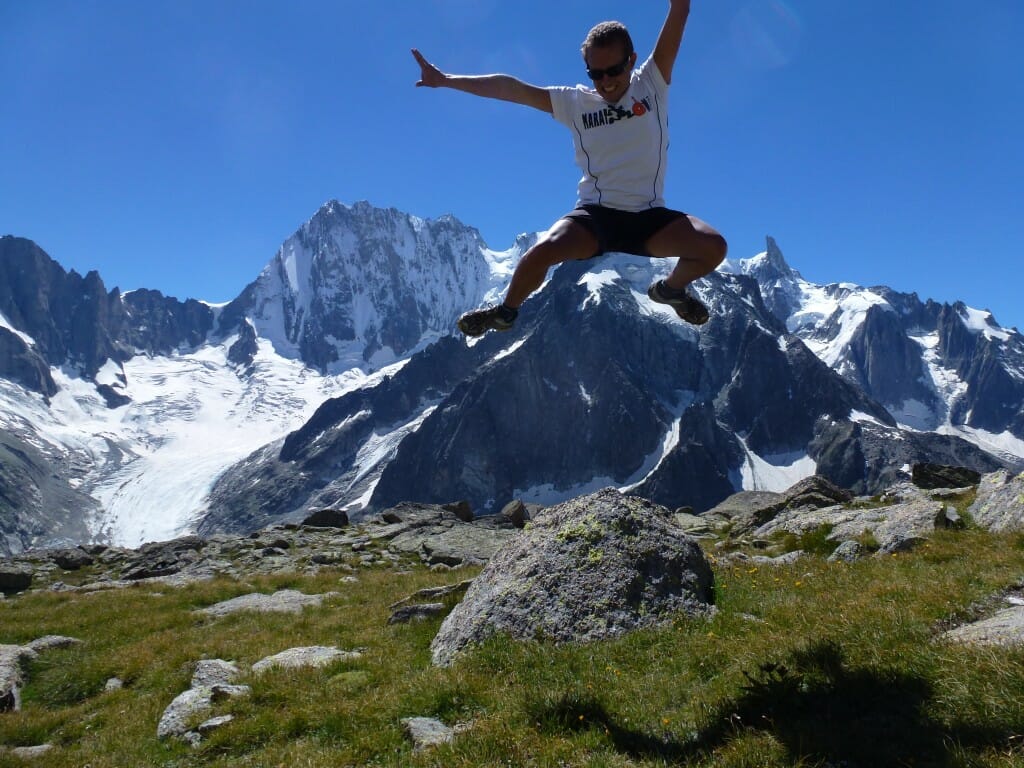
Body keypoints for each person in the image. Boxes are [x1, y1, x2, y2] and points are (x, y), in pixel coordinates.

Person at [412, 0, 726, 337]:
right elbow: (510, 89)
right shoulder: (574, 103)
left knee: (713, 247)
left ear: (631, 61)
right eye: (595, 74)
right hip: (596, 216)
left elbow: (680, 11)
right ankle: (505, 313)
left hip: (649, 217)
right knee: (541, 253)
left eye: (614, 71)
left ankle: (669, 290)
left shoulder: (652, 83)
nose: (605, 82)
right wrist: (446, 80)